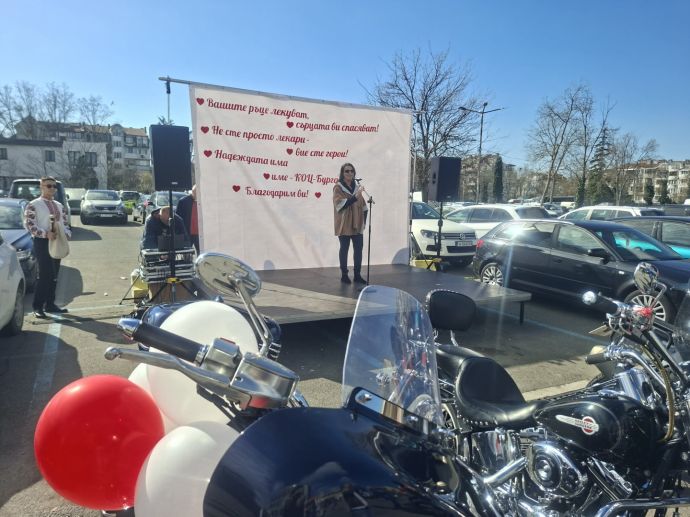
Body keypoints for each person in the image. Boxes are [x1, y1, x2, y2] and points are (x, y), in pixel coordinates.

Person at [23, 176, 71, 318]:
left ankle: (50, 304)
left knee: (54, 275)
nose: (52, 189)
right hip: (42, 242)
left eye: (54, 186)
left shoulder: (59, 205)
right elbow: (30, 225)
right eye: (49, 186)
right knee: (45, 274)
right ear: (41, 187)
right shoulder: (33, 204)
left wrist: (67, 234)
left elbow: (65, 223)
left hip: (57, 241)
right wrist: (45, 234)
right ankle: (38, 306)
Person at [333, 162, 368, 284]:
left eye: (352, 171)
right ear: (342, 173)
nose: (349, 173)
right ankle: (344, 274)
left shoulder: (357, 188)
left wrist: (363, 223)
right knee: (344, 249)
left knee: (358, 250)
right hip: (344, 224)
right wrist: (355, 197)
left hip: (357, 224)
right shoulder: (338, 188)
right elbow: (340, 204)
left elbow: (364, 207)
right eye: (347, 171)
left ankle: (357, 275)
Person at [176, 184, 199, 253]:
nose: (198, 195)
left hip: (199, 234)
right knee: (186, 253)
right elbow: (177, 218)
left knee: (201, 253)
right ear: (193, 192)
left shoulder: (203, 201)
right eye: (196, 192)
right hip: (187, 233)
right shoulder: (183, 201)